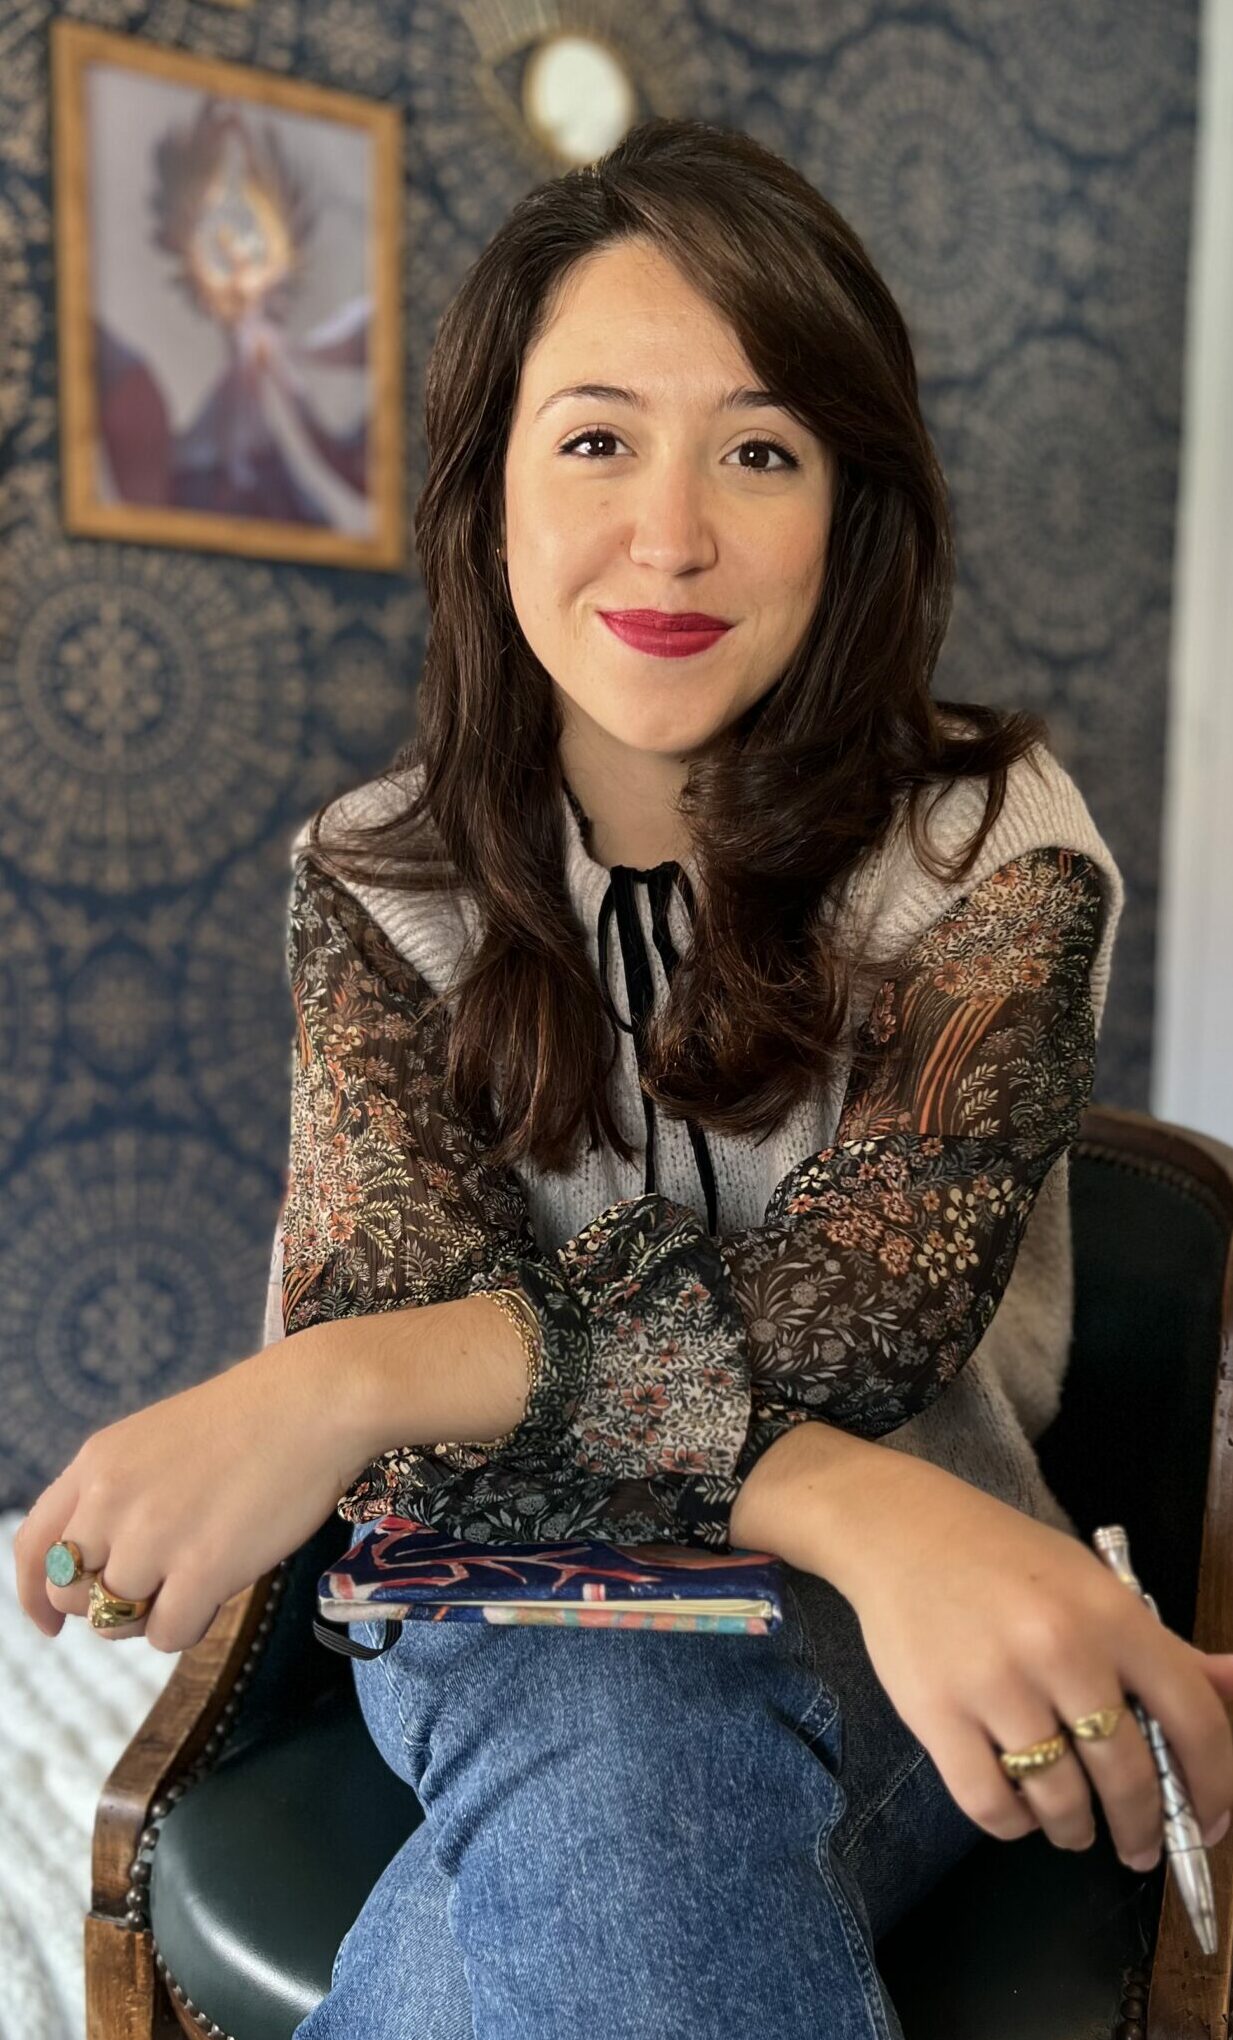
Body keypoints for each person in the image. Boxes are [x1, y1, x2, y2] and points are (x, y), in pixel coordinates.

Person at [15, 117, 1232, 2039]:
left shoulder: (984, 843)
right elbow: (419, 1406)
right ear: (489, 487)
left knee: (609, 1801)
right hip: (516, 1602)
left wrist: (344, 1374)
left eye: (759, 451)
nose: (670, 535)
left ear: (849, 507)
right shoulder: (375, 878)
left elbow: (859, 1311)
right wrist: (854, 1502)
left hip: (883, 1646)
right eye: (596, 440)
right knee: (605, 1722)